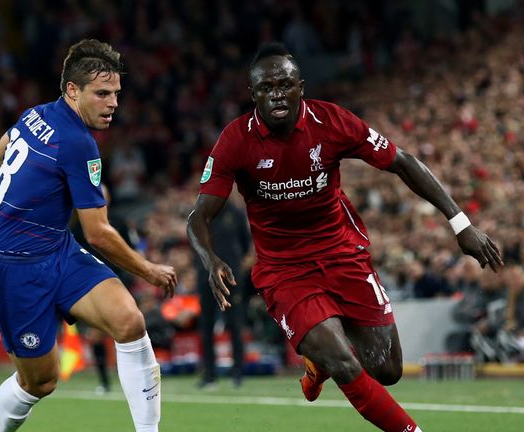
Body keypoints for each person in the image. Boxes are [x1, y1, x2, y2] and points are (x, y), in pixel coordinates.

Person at [187, 42, 503, 432]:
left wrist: (461, 224)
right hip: (286, 271)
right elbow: (199, 215)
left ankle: (317, 360)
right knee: (345, 362)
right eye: (265, 88)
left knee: (388, 369)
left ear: (301, 87)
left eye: (284, 84)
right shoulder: (236, 140)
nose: (276, 95)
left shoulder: (332, 122)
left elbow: (402, 162)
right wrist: (210, 258)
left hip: (343, 255)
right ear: (252, 95)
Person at [0, 39, 177, 432]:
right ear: (72, 90)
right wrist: (149, 270)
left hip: (57, 250)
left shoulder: (34, 115)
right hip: (13, 270)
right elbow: (97, 233)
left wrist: (16, 203)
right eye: (102, 94)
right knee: (41, 381)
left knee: (129, 321)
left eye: (116, 93)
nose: (113, 103)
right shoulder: (79, 144)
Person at [195, 199, 250, 389]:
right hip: (205, 278)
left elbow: (246, 245)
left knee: (234, 324)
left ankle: (238, 373)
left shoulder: (235, 213)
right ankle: (209, 374)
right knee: (206, 326)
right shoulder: (200, 212)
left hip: (230, 278)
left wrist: (236, 270)